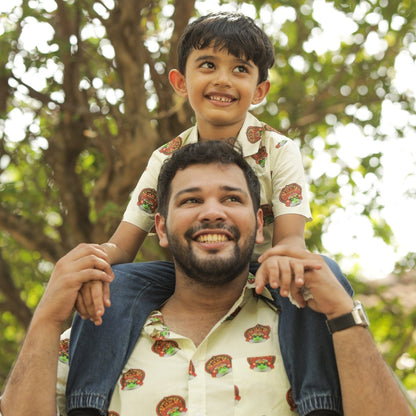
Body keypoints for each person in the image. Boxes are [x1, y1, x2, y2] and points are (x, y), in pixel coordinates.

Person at [0, 141, 411, 416]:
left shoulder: (315, 327)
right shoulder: (96, 331)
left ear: (260, 223)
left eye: (231, 198)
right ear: (159, 227)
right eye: (191, 200)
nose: (212, 212)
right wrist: (46, 322)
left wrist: (342, 314)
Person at [67, 12, 347, 415]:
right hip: (189, 268)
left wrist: (289, 263)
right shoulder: (165, 158)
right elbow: (122, 246)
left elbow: (291, 240)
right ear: (181, 82)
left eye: (240, 69)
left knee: (325, 272)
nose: (223, 79)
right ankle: (85, 403)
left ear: (260, 89)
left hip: (262, 265)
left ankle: (318, 401)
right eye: (208, 66)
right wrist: (86, 266)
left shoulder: (278, 149)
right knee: (121, 281)